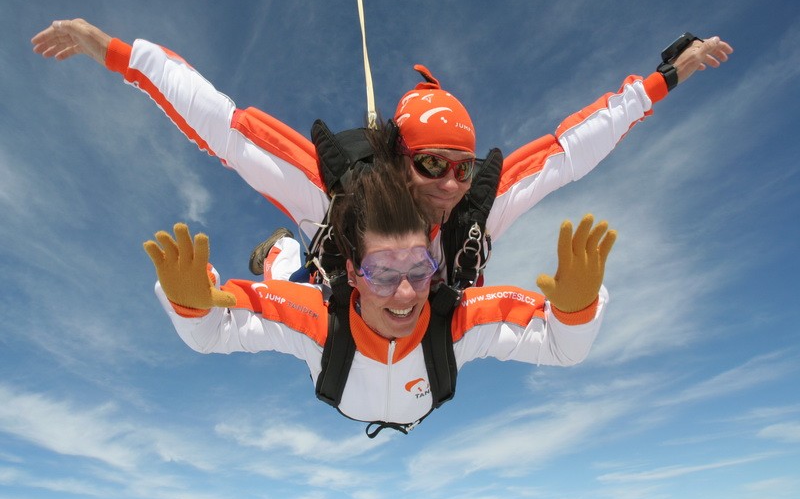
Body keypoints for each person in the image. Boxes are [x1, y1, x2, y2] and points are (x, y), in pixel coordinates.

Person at [32, 18, 730, 285]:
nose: (453, 184)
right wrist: (115, 52)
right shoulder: (333, 191)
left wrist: (668, 74)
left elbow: (575, 147)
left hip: (426, 332)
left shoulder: (476, 208)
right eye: (434, 165)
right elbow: (222, 122)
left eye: (462, 166)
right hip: (326, 293)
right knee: (288, 274)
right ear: (400, 159)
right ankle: (276, 251)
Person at [144, 134, 616, 436]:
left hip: (362, 396)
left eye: (418, 270)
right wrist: (190, 305)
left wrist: (576, 310)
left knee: (297, 283)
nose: (407, 293)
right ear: (352, 275)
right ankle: (281, 247)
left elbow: (561, 348)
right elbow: (216, 333)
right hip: (323, 317)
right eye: (383, 274)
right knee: (288, 277)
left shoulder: (461, 319)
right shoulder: (314, 319)